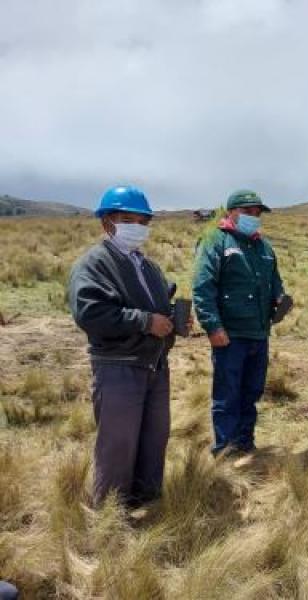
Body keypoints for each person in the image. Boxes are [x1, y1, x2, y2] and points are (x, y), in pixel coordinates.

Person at [69, 186, 179, 507]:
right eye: (128, 219)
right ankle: (111, 518)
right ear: (107, 223)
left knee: (153, 438)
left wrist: (174, 322)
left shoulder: (148, 266)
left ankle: (147, 502)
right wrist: (145, 321)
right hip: (118, 366)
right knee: (118, 446)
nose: (138, 227)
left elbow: (160, 308)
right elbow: (91, 313)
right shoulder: (93, 264)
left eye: (143, 221)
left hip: (155, 365)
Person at [193, 190, 285, 456]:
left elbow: (275, 280)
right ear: (230, 212)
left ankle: (245, 442)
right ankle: (225, 448)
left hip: (258, 332)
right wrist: (212, 325)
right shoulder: (215, 241)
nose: (253, 217)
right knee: (227, 393)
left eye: (257, 213)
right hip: (229, 334)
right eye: (247, 212)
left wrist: (279, 296)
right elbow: (203, 286)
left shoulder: (263, 246)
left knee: (252, 391)